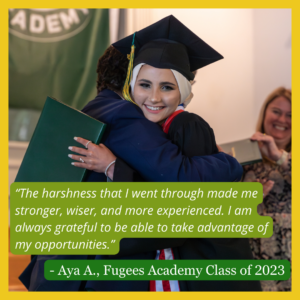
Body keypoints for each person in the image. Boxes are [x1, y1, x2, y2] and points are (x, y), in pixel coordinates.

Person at [19, 15, 246, 292]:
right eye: (145, 83)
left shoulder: (91, 111)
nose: (153, 97)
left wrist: (113, 166)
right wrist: (231, 163)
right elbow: (180, 178)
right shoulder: (124, 116)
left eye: (166, 86)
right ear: (130, 79)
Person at [243, 87, 291, 291]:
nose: (282, 119)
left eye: (291, 115)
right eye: (276, 111)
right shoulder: (244, 156)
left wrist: (278, 156)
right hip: (252, 255)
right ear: (265, 113)